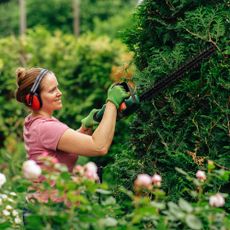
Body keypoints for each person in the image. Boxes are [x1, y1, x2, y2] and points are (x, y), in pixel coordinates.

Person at [15, 67, 129, 172]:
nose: (59, 93)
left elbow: (63, 145)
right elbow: (99, 147)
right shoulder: (46, 127)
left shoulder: (33, 121)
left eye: (57, 87)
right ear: (33, 99)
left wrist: (85, 129)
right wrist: (112, 103)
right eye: (52, 90)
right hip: (52, 194)